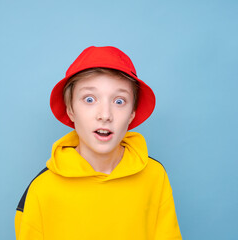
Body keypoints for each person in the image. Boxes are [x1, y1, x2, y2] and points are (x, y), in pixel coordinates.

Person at [14, 46, 182, 240]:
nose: (105, 115)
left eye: (119, 101)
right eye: (89, 99)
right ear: (70, 110)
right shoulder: (41, 190)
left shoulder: (155, 176)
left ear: (132, 114)